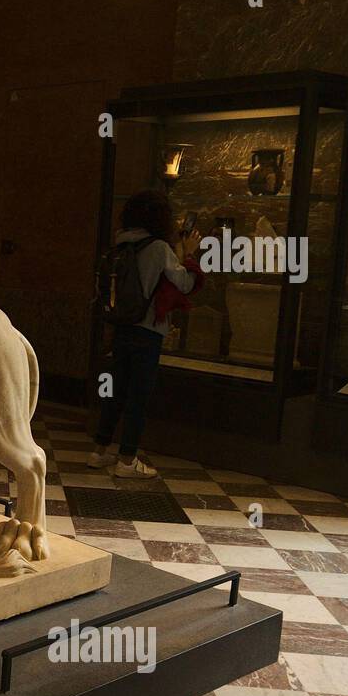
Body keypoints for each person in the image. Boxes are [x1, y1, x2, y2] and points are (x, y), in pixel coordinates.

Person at [90, 189, 202, 479]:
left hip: (121, 326)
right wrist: (189, 254)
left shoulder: (119, 243)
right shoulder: (159, 248)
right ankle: (127, 460)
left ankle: (99, 451)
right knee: (139, 395)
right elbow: (185, 283)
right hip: (147, 330)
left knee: (115, 391)